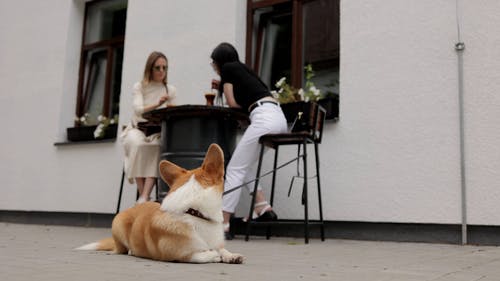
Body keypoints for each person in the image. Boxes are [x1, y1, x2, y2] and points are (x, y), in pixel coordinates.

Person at [210, 42, 288, 239]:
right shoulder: (244, 70)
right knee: (243, 165)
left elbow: (232, 103)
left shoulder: (228, 69)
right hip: (277, 117)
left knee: (235, 168)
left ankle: (223, 223)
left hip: (263, 118)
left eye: (213, 63)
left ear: (220, 61)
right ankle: (262, 207)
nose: (214, 67)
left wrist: (223, 85)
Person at [121, 51, 177, 204]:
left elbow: (172, 110)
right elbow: (138, 109)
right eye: (157, 68)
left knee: (155, 147)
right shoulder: (140, 86)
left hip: (156, 131)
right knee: (138, 145)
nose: (161, 71)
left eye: (164, 68)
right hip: (137, 128)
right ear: (150, 69)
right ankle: (143, 195)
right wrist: (158, 104)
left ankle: (144, 196)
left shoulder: (169, 89)